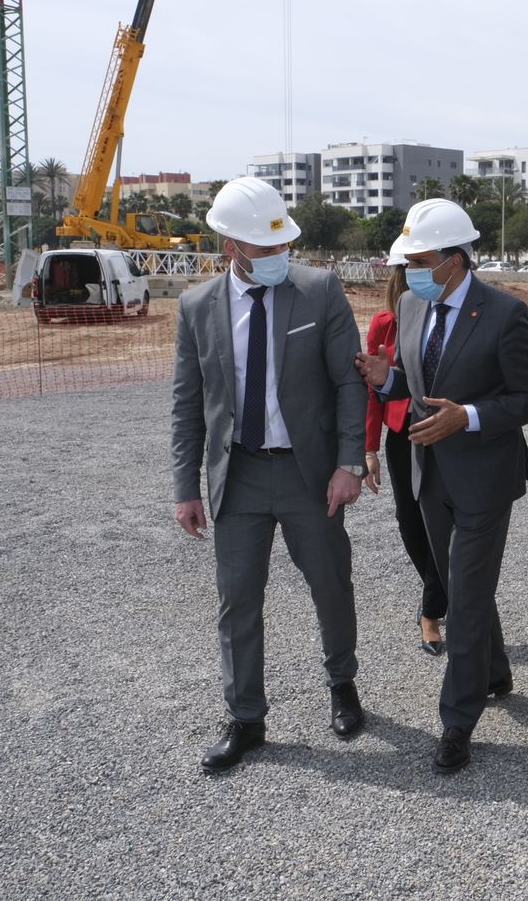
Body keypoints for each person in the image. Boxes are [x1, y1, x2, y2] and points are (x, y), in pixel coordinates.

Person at [170, 177, 368, 773]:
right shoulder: (196, 306)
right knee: (237, 601)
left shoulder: (320, 291)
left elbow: (347, 382)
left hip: (311, 475)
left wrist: (349, 462)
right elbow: (188, 402)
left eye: (284, 246)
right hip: (241, 476)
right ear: (233, 247)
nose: (281, 257)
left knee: (330, 582)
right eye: (267, 249)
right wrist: (185, 488)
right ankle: (246, 718)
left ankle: (342, 684)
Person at [355, 199, 528, 775]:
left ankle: (457, 719)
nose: (409, 272)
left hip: (484, 476)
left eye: (421, 260)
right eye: (407, 262)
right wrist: (388, 380)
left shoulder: (505, 313)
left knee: (468, 592)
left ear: (456, 260)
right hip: (427, 472)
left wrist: (470, 416)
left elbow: (526, 399)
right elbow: (420, 377)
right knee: (462, 580)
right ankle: (496, 671)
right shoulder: (410, 305)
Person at [362, 241, 447, 656]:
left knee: (443, 526)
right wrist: (369, 448)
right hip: (401, 434)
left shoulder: (450, 314)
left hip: (446, 429)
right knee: (410, 522)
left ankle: (432, 610)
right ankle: (440, 595)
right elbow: (373, 390)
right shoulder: (385, 324)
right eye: (407, 268)